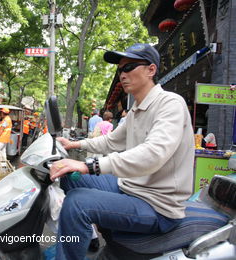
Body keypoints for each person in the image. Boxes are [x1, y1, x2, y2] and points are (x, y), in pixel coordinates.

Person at [49, 43, 195, 260]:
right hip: (130, 188)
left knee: (77, 203)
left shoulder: (170, 104)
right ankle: (87, 239)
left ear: (151, 70)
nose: (122, 75)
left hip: (158, 206)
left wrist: (89, 165)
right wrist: (74, 145)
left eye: (129, 67)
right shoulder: (135, 110)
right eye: (120, 70)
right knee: (68, 176)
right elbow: (111, 141)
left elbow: (152, 155)